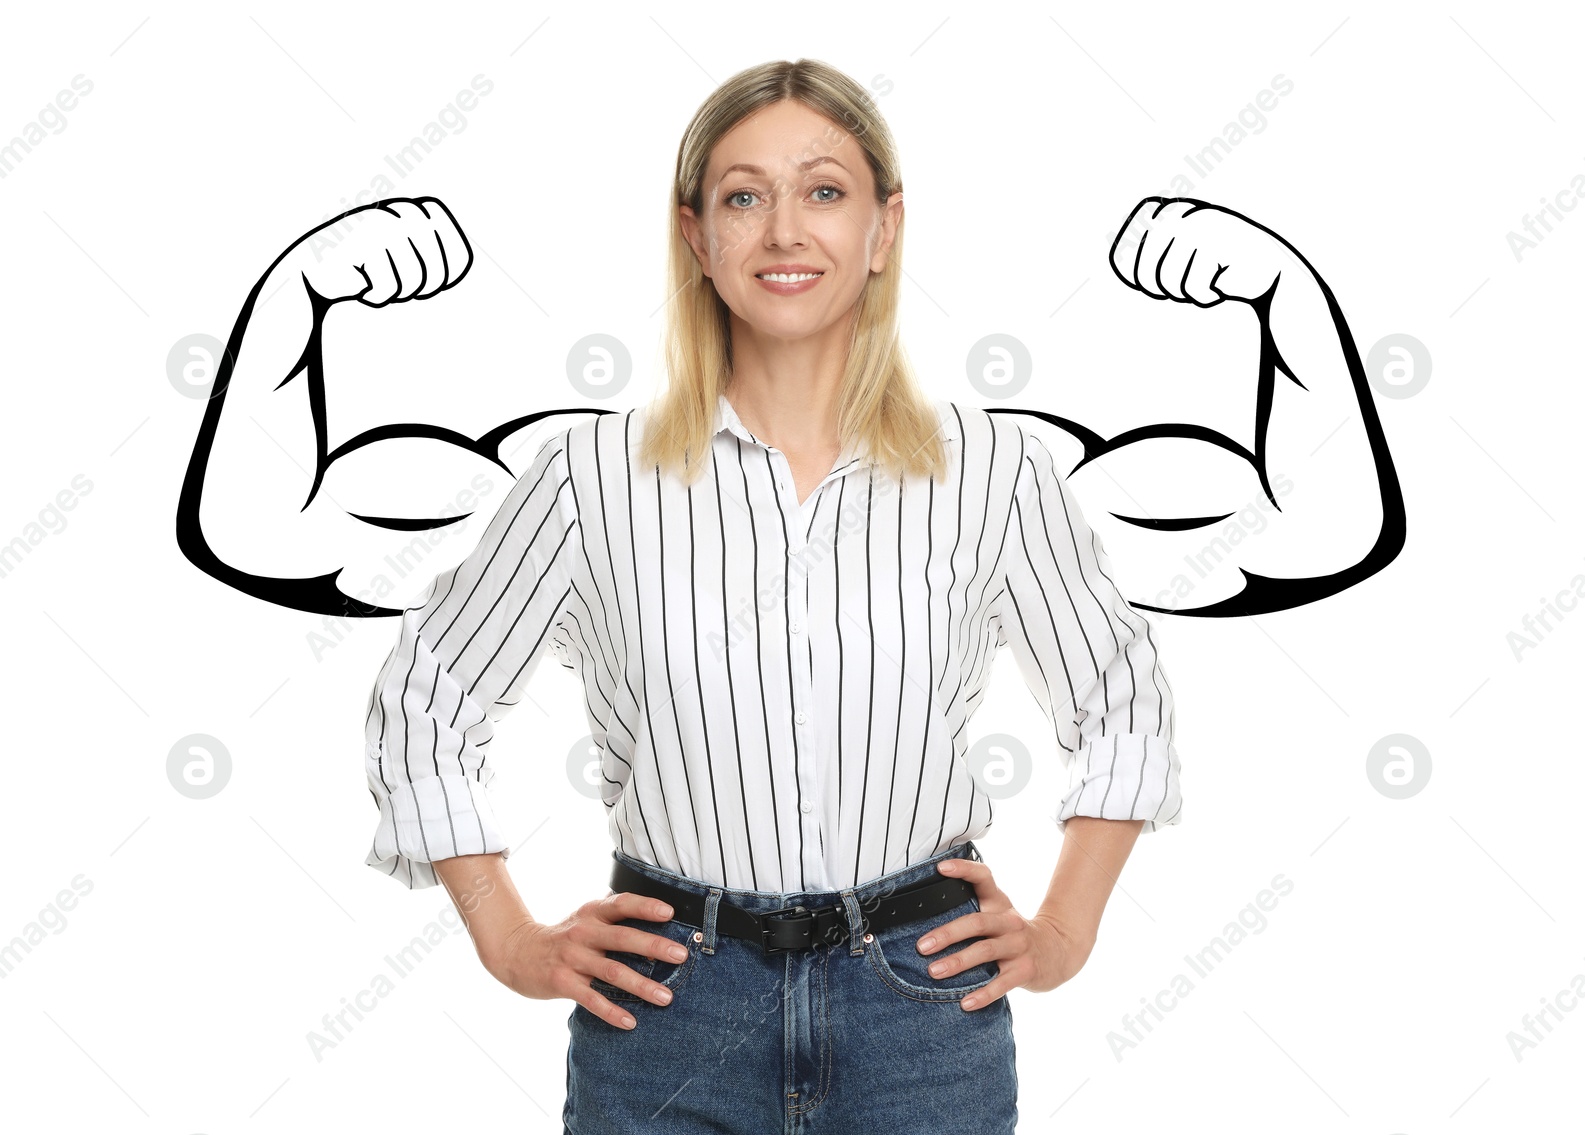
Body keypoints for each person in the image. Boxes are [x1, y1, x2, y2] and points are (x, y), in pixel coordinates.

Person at [363, 59, 1179, 1133]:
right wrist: (508, 936)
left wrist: (1064, 931)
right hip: (667, 1009)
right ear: (696, 234)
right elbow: (426, 701)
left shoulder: (994, 471)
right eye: (745, 196)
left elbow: (1122, 698)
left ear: (884, 229)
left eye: (824, 192)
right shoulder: (589, 479)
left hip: (920, 1009)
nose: (784, 230)